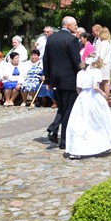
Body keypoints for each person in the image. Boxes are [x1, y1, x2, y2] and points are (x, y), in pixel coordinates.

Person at [65, 55, 111, 159]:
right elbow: (94, 87)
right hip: (93, 97)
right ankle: (103, 144)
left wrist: (81, 96)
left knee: (80, 121)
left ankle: (77, 149)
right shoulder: (96, 72)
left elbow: (78, 88)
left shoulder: (80, 73)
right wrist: (103, 93)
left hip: (82, 96)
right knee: (98, 120)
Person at [43, 16, 81, 149]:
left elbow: (46, 60)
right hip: (69, 79)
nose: (76, 27)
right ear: (69, 26)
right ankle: (64, 140)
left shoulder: (51, 38)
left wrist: (48, 79)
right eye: (75, 24)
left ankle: (54, 128)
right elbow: (76, 61)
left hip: (56, 80)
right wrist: (82, 75)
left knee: (63, 107)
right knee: (68, 109)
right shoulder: (71, 39)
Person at [96, 27, 111, 96]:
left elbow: (101, 56)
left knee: (104, 83)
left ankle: (106, 98)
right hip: (105, 65)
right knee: (104, 83)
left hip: (102, 65)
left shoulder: (103, 43)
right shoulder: (108, 42)